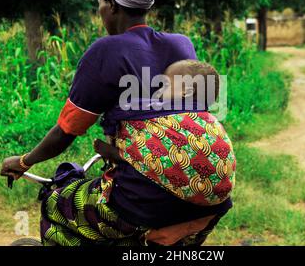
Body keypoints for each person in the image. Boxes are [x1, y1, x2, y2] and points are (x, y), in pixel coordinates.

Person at [0, 0, 233, 246]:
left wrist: (23, 161)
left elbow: (66, 130)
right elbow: (178, 121)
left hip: (139, 199)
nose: (99, 9)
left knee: (57, 203)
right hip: (206, 198)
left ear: (111, 4)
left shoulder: (106, 51)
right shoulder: (181, 44)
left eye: (100, 2)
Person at [94, 59, 236, 207]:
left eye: (165, 85)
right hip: (219, 198)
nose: (159, 92)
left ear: (186, 92)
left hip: (163, 202)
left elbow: (120, 115)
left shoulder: (154, 114)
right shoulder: (211, 122)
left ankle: (122, 156)